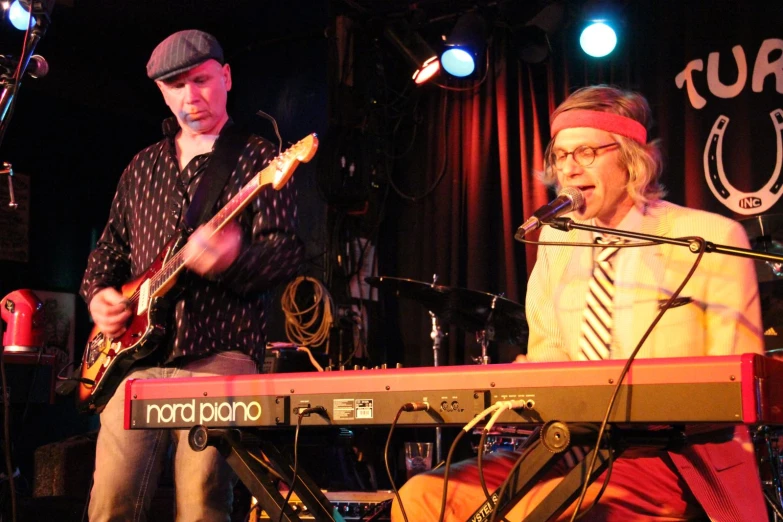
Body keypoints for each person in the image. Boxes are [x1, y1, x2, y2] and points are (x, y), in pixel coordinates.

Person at [392, 85, 767, 521]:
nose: (569, 170)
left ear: (632, 158)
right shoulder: (557, 238)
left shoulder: (710, 237)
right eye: (561, 156)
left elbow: (737, 384)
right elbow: (550, 351)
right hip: (567, 446)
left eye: (586, 152)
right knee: (422, 495)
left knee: (557, 511)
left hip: (667, 456)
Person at [79, 29, 304, 521]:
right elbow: (108, 251)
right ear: (161, 92)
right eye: (174, 87)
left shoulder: (258, 159)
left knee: (201, 504)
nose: (190, 97)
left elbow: (286, 256)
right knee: (108, 504)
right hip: (133, 361)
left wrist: (229, 260)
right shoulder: (141, 168)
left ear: (225, 77)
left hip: (218, 355)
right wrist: (98, 297)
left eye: (200, 80)